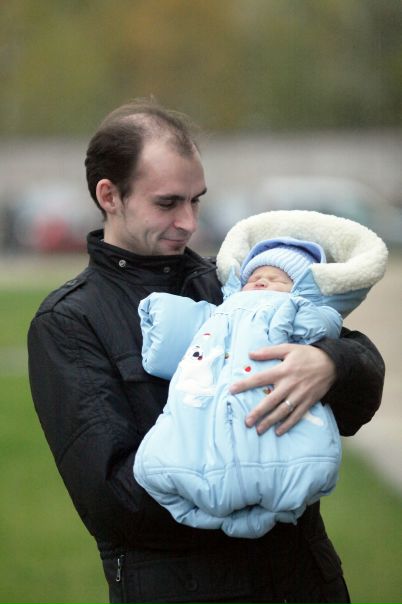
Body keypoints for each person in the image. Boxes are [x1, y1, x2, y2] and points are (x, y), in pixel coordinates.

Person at [28, 98, 386, 604]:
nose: (189, 222)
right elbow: (114, 502)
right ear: (109, 195)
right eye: (168, 203)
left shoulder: (236, 283)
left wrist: (333, 364)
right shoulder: (68, 322)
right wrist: (253, 483)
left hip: (307, 583)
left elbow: (360, 394)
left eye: (196, 201)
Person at [134, 225, 387, 541]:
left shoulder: (295, 308)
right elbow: (168, 344)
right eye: (254, 277)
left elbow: (323, 323)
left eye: (278, 279)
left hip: (271, 424)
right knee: (157, 467)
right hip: (202, 426)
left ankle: (267, 511)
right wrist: (158, 310)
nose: (262, 281)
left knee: (289, 471)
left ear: (302, 290)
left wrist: (318, 320)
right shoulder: (217, 314)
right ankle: (231, 515)